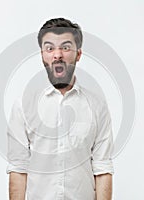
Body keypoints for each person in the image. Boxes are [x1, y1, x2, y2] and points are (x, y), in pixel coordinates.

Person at [7, 18, 114, 200]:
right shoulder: (24, 104)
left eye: (65, 47)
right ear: (42, 55)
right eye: (50, 48)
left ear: (78, 54)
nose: (57, 55)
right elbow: (18, 168)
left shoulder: (97, 106)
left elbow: (102, 168)